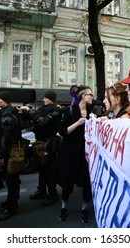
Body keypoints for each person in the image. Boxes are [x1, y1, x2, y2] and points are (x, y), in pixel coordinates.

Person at [56, 85, 93, 223]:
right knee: (67, 180)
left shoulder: (90, 110)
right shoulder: (69, 110)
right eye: (90, 94)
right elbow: (62, 132)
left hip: (86, 151)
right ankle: (64, 207)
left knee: (86, 181)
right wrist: (77, 123)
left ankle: (84, 209)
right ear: (83, 96)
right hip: (70, 151)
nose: (92, 97)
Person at [18, 89, 62, 207]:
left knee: (48, 170)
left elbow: (43, 122)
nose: (43, 99)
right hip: (40, 143)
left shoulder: (55, 111)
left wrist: (30, 111)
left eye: (45, 98)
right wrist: (24, 113)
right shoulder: (42, 109)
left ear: (51, 99)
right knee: (42, 169)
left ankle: (53, 195)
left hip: (49, 143)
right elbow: (34, 122)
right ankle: (41, 191)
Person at [0, 91, 22, 221]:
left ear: (5, 101)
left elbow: (6, 136)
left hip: (10, 151)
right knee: (10, 178)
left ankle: (11, 206)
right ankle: (10, 201)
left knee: (12, 178)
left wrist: (1, 154)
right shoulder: (5, 111)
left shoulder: (8, 113)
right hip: (9, 149)